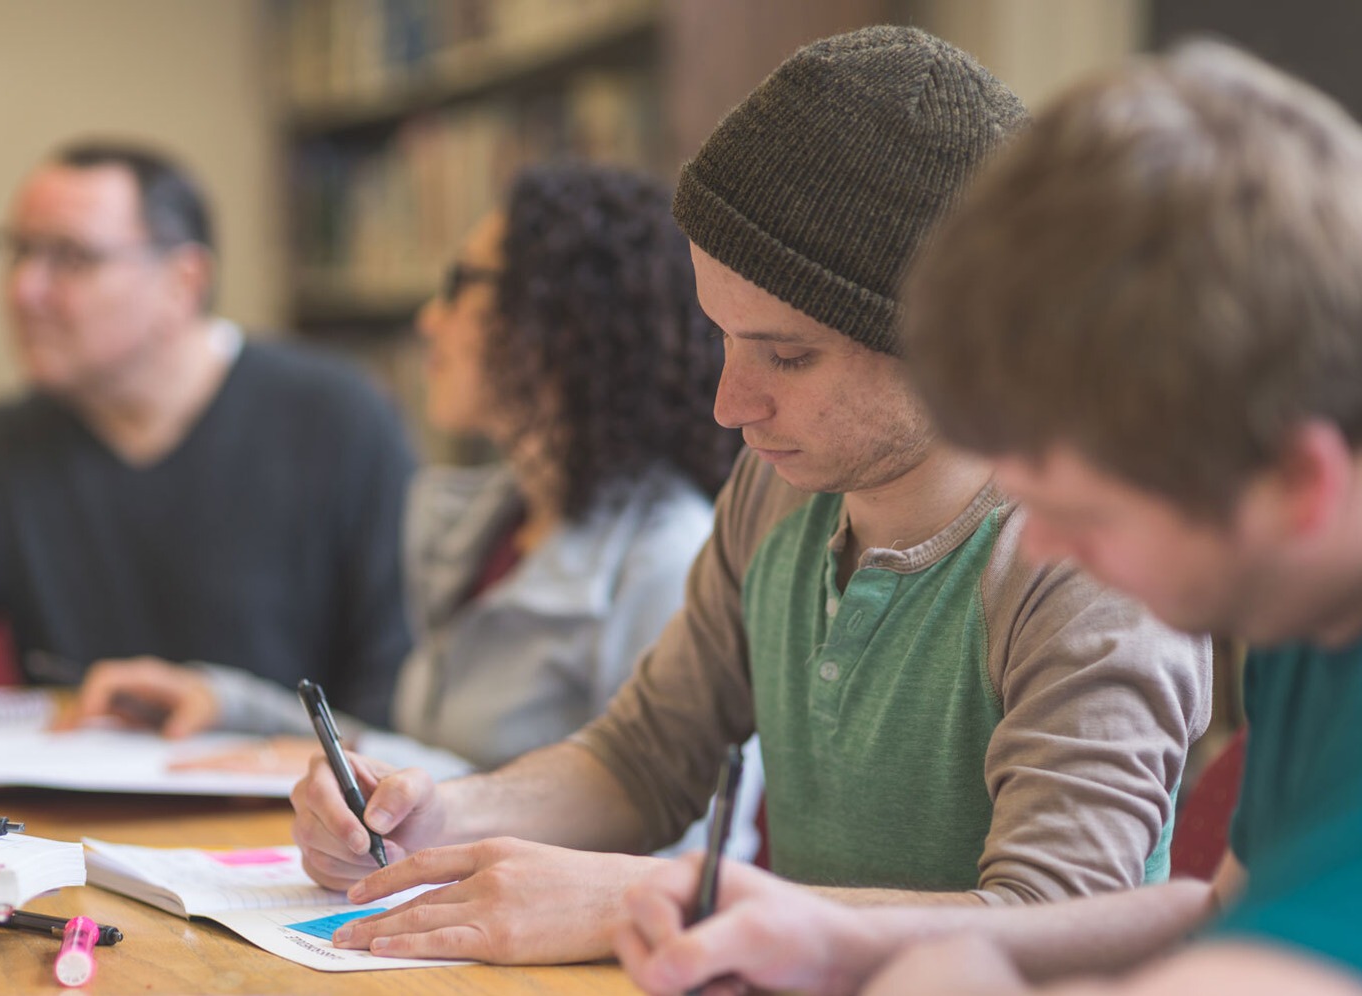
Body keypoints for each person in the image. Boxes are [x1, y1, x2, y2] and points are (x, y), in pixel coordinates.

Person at [289, 26, 1210, 969]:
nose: (729, 405)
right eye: (720, 337)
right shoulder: (777, 487)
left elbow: (1058, 920)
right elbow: (645, 758)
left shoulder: (1094, 565)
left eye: (788, 356)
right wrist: (436, 816)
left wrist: (657, 900)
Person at [616, 39, 1362, 996]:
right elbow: (1218, 908)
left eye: (1089, 509)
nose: (1040, 541)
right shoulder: (1303, 612)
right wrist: (845, 942)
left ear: (1295, 485)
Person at [185, 160, 743, 782]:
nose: (429, 319)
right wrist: (229, 707)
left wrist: (397, 775)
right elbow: (440, 761)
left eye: (459, 285)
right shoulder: (490, 522)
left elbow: (661, 825)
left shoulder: (667, 559)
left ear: (557, 318)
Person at [0, 141, 416, 733]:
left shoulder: (337, 419)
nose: (23, 290)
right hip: (69, 787)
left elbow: (399, 675)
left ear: (183, 281)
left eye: (70, 257)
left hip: (291, 785)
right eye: (18, 252)